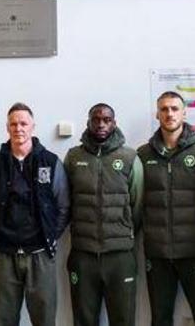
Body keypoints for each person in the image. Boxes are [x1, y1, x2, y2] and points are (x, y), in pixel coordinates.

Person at [0, 103, 70, 326]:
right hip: (4, 256)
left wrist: (49, 234)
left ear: (33, 127)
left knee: (45, 319)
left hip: (40, 254)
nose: (18, 128)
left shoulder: (50, 162)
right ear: (7, 128)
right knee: (3, 320)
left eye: (23, 123)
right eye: (13, 124)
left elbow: (63, 206)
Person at [138, 91, 195, 326]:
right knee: (160, 318)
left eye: (174, 108)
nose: (169, 113)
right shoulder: (143, 154)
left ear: (185, 113)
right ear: (157, 114)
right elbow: (135, 199)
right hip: (157, 252)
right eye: (164, 109)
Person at [64, 103, 143, 326]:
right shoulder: (73, 157)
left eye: (106, 120)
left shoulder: (129, 157)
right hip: (83, 254)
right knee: (84, 319)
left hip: (120, 256)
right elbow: (65, 201)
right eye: (95, 119)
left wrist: (122, 231)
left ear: (114, 123)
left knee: (123, 319)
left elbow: (137, 205)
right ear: (88, 122)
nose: (101, 124)